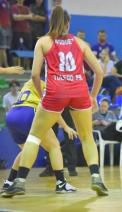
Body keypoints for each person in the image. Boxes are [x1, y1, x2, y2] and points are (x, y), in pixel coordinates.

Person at [2, 6, 108, 198]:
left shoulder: (43, 41)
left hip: (55, 91)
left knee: (34, 137)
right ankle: (96, 177)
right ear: (68, 23)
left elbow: (34, 74)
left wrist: (42, 94)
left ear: (52, 23)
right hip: (79, 90)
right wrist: (93, 96)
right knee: (87, 138)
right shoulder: (80, 43)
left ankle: (19, 181)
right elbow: (99, 72)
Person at [1, 79, 77, 194]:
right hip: (30, 112)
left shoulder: (31, 81)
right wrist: (66, 126)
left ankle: (9, 181)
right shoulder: (48, 85)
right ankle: (61, 183)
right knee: (54, 146)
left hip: (12, 115)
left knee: (26, 150)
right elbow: (52, 110)